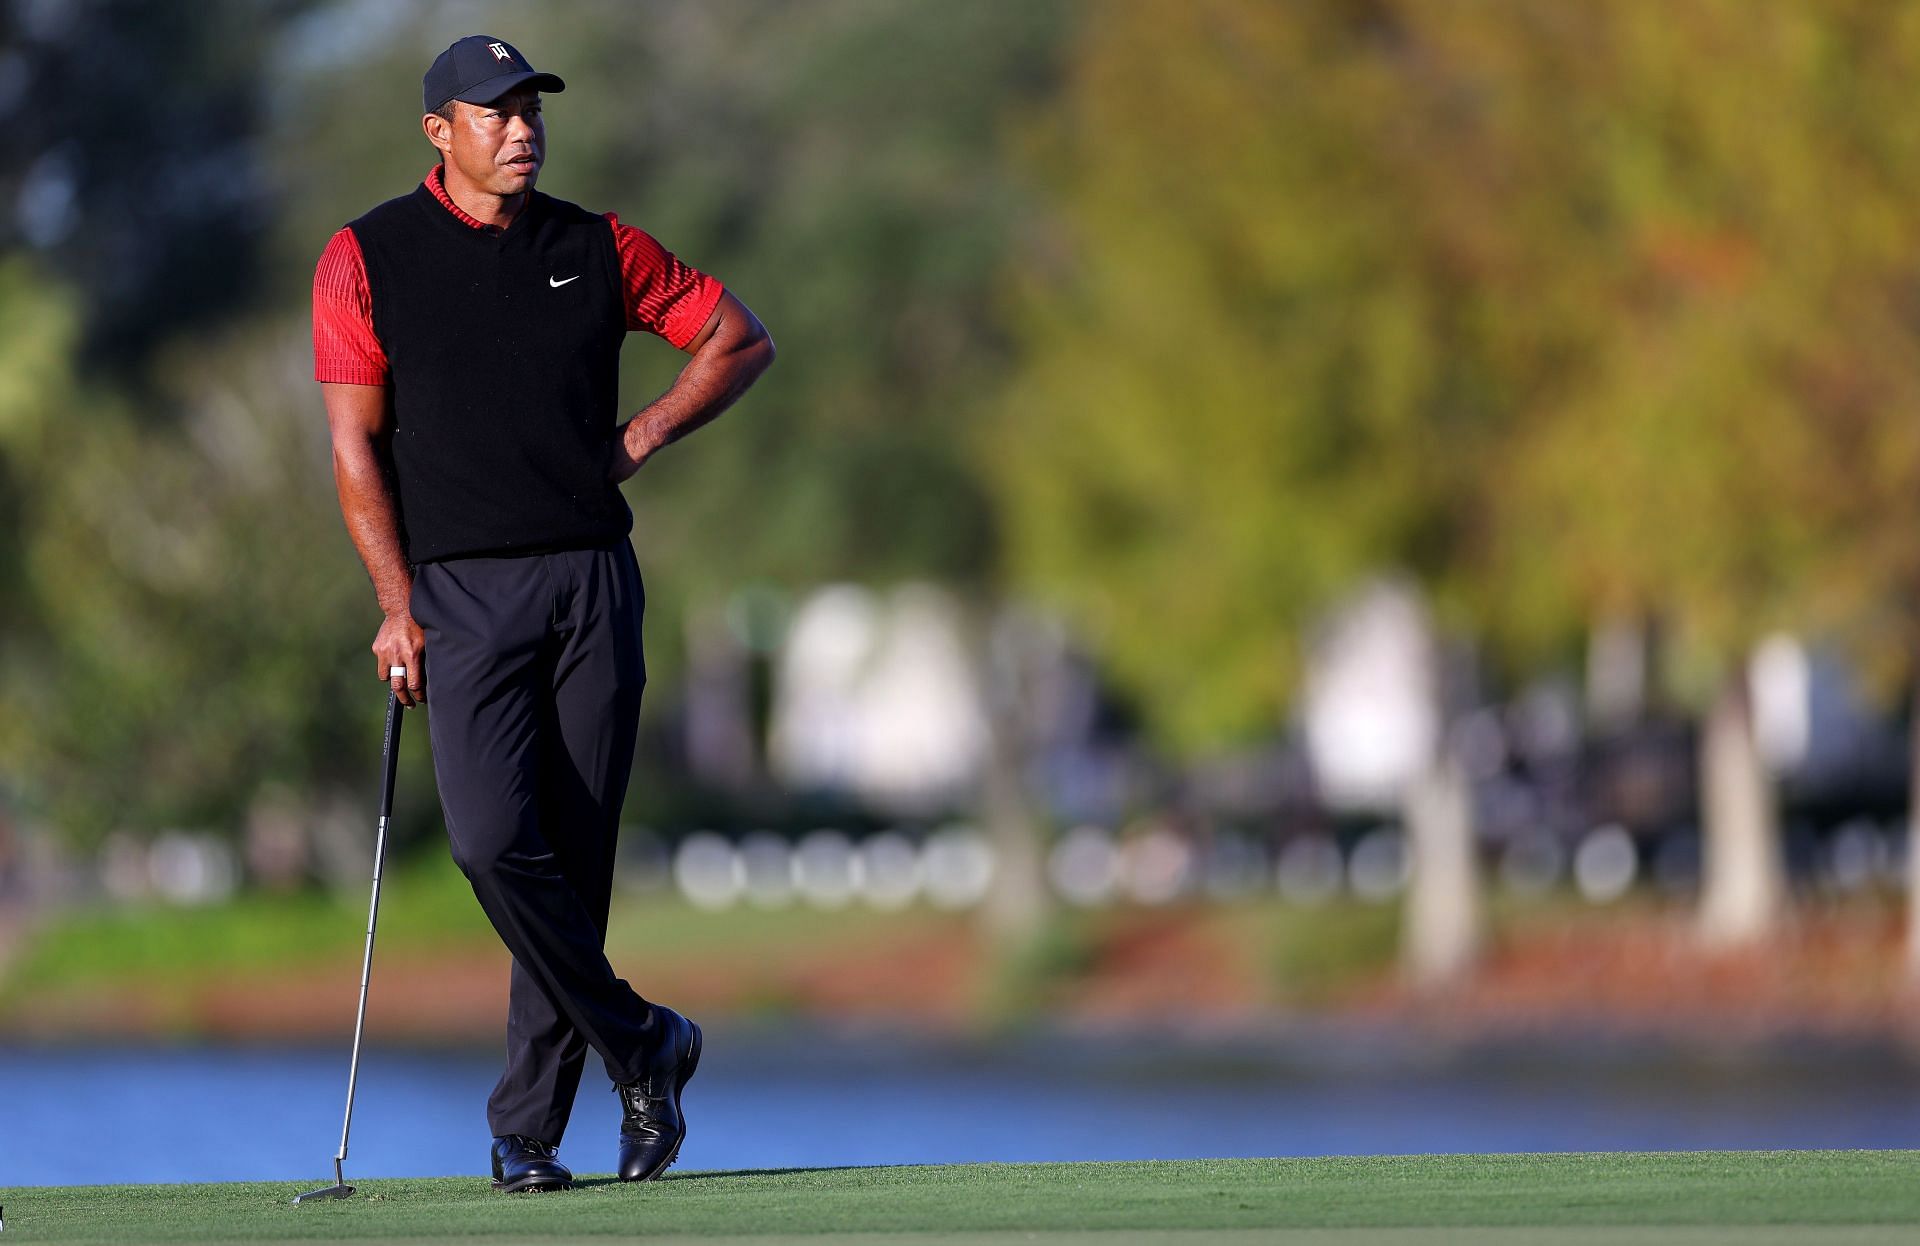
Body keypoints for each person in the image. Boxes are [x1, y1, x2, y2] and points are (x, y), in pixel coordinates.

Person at [310, 34, 774, 1193]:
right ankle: (646, 1040)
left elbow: (737, 337)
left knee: (571, 861)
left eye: (531, 109)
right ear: (439, 131)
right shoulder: (365, 256)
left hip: (590, 582)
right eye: (495, 111)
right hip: (458, 593)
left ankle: (526, 1137)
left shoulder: (597, 245)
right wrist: (392, 604)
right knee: (488, 843)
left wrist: (643, 435)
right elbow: (353, 446)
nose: (522, 128)